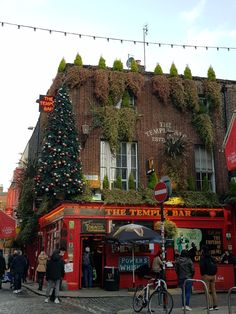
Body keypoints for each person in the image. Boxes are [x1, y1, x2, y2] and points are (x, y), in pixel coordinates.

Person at [200, 245, 219, 311]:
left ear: (203, 250)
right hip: (213, 275)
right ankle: (215, 306)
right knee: (213, 291)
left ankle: (210, 306)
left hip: (206, 276)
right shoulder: (211, 257)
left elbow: (202, 267)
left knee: (207, 291)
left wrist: (203, 275)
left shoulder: (202, 257)